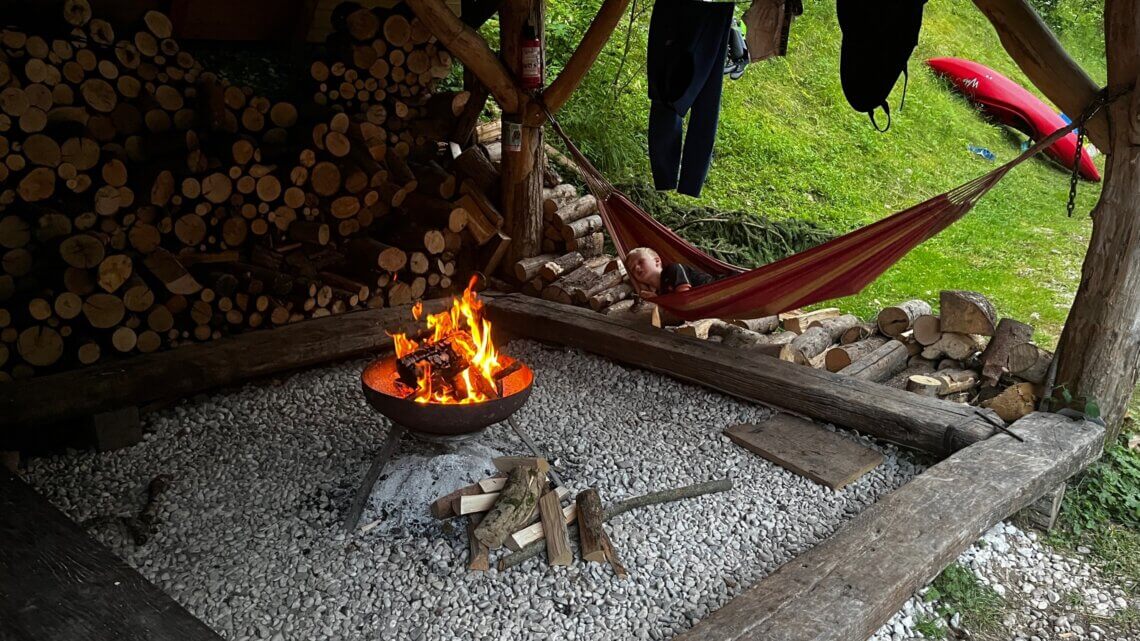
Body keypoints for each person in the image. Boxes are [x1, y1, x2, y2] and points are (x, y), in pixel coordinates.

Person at [624, 247, 716, 298]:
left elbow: (684, 298)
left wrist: (658, 300)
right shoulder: (659, 292)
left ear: (657, 261)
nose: (636, 267)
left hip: (718, 288)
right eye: (632, 269)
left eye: (640, 262)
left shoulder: (673, 269)